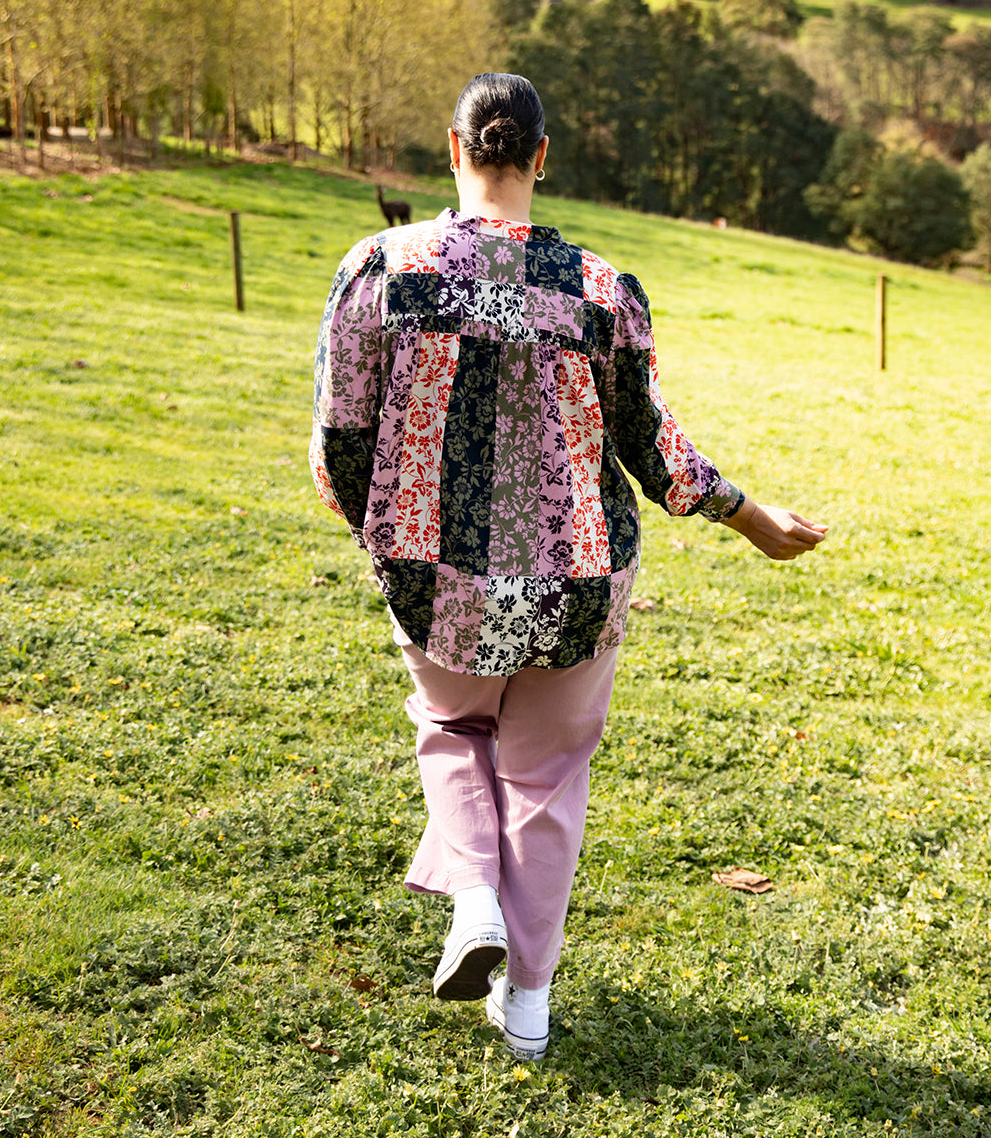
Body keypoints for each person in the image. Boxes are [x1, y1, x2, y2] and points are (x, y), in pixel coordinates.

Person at [310, 72, 827, 1061]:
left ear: (453, 152)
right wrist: (749, 517)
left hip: (438, 571)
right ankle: (530, 1010)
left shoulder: (380, 267)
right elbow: (652, 443)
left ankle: (473, 903)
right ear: (542, 159)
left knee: (453, 727)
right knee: (546, 777)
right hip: (579, 580)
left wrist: (377, 529)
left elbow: (341, 434)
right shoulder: (602, 290)